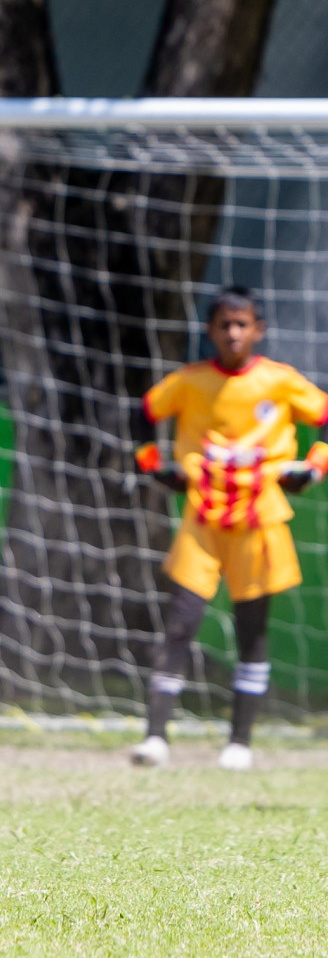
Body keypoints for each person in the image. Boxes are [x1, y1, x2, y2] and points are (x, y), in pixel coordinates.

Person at [132, 286, 328, 771]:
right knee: (181, 622)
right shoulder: (190, 381)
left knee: (252, 629)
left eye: (243, 324)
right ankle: (155, 738)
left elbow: (323, 417)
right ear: (210, 330)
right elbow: (145, 413)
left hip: (260, 520)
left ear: (259, 330)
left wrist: (316, 464)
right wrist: (154, 464)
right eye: (225, 324)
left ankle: (240, 742)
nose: (233, 333)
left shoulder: (280, 381)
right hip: (203, 518)